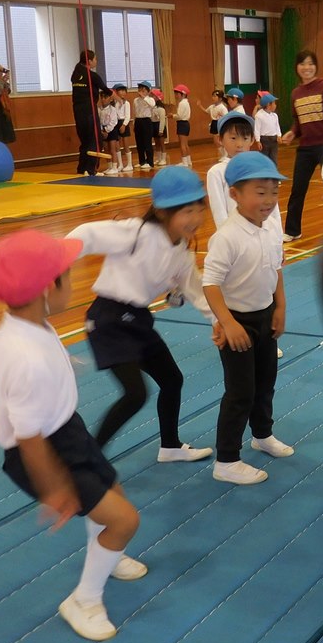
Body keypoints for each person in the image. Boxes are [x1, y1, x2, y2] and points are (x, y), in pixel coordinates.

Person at [0, 229, 145, 642]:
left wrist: (10, 377)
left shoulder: (22, 325)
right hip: (44, 451)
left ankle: (106, 552)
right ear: (49, 287)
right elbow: (28, 437)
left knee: (112, 491)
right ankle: (83, 600)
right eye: (69, 274)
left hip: (66, 429)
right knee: (125, 520)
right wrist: (54, 487)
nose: (75, 281)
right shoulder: (27, 359)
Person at [67, 167, 215, 461]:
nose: (196, 219)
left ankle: (170, 446)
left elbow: (195, 289)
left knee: (172, 380)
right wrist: (59, 254)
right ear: (161, 212)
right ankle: (88, 459)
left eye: (199, 210)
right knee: (135, 394)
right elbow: (89, 233)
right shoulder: (137, 231)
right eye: (187, 211)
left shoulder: (182, 249)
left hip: (137, 320)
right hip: (108, 320)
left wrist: (219, 320)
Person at [203, 152, 293, 486]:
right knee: (240, 391)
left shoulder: (270, 229)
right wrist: (227, 322)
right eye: (260, 191)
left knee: (265, 382)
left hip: (265, 316)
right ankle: (226, 460)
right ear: (235, 194)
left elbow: (277, 268)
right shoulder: (227, 237)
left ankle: (262, 435)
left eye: (274, 192)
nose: (269, 200)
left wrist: (280, 307)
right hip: (237, 321)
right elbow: (210, 283)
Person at [279, 50, 323, 241]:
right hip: (305, 148)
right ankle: (292, 230)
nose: (307, 67)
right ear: (297, 68)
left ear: (316, 66)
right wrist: (292, 132)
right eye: (302, 64)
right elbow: (298, 121)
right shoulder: (295, 93)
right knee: (297, 190)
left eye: (310, 63)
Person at [206, 110, 257, 228]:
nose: (239, 144)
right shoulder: (216, 172)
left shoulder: (258, 168)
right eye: (233, 138)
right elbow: (219, 211)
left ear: (252, 140)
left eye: (245, 138)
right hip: (234, 235)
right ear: (220, 139)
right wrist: (227, 238)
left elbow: (272, 208)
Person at [70, 51, 106, 175]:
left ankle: (82, 168)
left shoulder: (76, 73)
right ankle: (90, 169)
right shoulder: (91, 75)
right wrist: (116, 98)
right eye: (95, 59)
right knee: (95, 139)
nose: (96, 61)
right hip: (89, 109)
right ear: (89, 61)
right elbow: (105, 89)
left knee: (85, 140)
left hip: (78, 111)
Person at [132, 81, 155, 171]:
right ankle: (142, 161)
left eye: (144, 89)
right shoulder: (135, 100)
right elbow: (135, 112)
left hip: (146, 121)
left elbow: (152, 105)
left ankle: (150, 162)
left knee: (147, 143)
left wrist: (144, 97)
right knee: (139, 143)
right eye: (140, 89)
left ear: (148, 91)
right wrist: (134, 123)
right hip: (138, 121)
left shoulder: (150, 99)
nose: (141, 91)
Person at [254, 92, 282, 167]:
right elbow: (257, 129)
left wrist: (279, 135)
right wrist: (258, 141)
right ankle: (264, 175)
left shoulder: (275, 115)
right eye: (274, 103)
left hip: (274, 140)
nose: (275, 105)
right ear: (268, 105)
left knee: (274, 159)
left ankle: (273, 175)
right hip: (264, 140)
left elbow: (277, 127)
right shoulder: (259, 115)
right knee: (264, 159)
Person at [198, 90, 228, 160]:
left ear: (220, 98)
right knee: (215, 141)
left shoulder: (222, 107)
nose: (213, 97)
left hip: (220, 123)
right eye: (213, 96)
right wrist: (200, 106)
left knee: (221, 140)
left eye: (215, 96)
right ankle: (223, 155)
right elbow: (206, 111)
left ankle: (226, 155)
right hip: (214, 123)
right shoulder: (212, 106)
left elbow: (226, 117)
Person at [98, 89, 121, 175]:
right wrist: (102, 130)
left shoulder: (112, 109)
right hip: (103, 130)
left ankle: (115, 167)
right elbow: (99, 121)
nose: (103, 99)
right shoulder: (99, 109)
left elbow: (113, 122)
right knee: (106, 149)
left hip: (112, 130)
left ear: (110, 99)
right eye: (102, 97)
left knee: (112, 149)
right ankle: (109, 166)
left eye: (106, 97)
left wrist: (106, 130)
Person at [112, 85, 133, 172]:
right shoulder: (114, 103)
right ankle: (120, 164)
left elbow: (128, 116)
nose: (123, 92)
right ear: (116, 92)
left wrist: (124, 125)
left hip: (124, 122)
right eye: (121, 91)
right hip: (115, 123)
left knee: (126, 144)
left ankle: (129, 164)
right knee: (117, 145)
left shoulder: (126, 103)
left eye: (124, 91)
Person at [172, 84, 193, 168]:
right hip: (185, 124)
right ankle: (188, 161)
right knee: (185, 144)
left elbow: (179, 116)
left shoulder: (182, 103)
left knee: (182, 144)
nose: (176, 95)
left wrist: (172, 116)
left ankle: (184, 162)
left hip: (182, 124)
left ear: (183, 94)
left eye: (178, 93)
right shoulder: (186, 103)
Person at [150, 88, 169, 167]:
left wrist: (161, 130)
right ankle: (158, 158)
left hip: (160, 126)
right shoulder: (152, 107)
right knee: (156, 143)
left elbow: (162, 120)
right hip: (154, 125)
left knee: (161, 143)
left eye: (153, 96)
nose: (152, 97)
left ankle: (164, 159)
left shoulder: (161, 109)